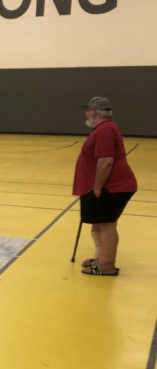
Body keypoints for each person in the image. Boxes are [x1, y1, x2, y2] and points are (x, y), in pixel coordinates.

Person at [72, 96, 137, 276]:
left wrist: (97, 187)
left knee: (107, 224)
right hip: (110, 186)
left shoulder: (105, 131)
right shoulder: (104, 128)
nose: (86, 115)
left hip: (112, 186)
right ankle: (101, 258)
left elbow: (106, 161)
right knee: (99, 223)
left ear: (93, 113)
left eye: (88, 111)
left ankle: (106, 265)